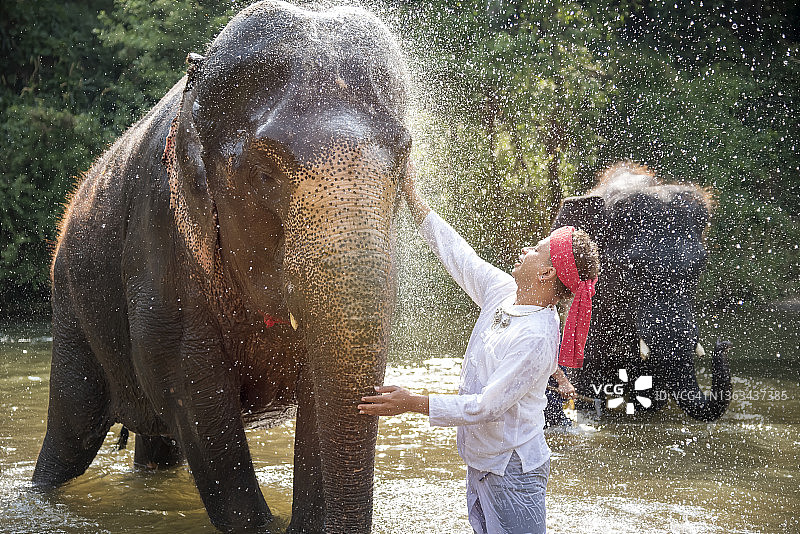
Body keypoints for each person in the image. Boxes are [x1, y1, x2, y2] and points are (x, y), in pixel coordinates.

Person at [358, 162, 600, 534]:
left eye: (535, 250)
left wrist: (414, 404)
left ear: (546, 273)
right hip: (482, 462)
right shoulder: (504, 292)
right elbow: (458, 253)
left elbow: (487, 406)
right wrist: (412, 196)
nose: (524, 250)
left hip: (512, 471)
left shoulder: (536, 337)